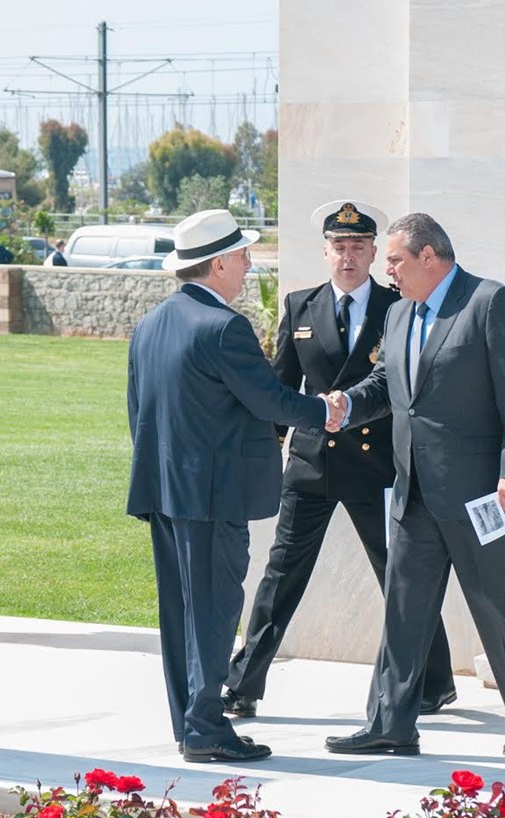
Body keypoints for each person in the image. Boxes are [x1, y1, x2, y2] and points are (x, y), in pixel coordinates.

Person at [323, 213, 505, 757]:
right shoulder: (399, 313)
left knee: (501, 606)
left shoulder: (490, 303)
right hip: (414, 493)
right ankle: (390, 723)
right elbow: (389, 383)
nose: (388, 272)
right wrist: (347, 404)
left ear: (428, 256)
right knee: (403, 611)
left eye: (395, 261)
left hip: (482, 494)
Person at [222, 201, 457, 719]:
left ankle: (436, 681)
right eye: (339, 247)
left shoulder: (398, 305)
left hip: (377, 467)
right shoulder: (300, 306)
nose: (348, 257)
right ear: (326, 252)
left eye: (358, 247)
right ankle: (243, 684)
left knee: (401, 576)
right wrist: (266, 450)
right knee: (281, 576)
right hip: (312, 465)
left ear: (373, 253)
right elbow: (281, 387)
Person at [126, 209, 336, 763]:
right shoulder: (224, 327)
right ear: (217, 264)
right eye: (243, 256)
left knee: (182, 614)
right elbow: (270, 399)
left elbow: (137, 412)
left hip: (166, 492)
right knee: (215, 613)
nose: (248, 266)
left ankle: (190, 722)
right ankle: (205, 729)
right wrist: (325, 410)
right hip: (213, 497)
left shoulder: (150, 325)